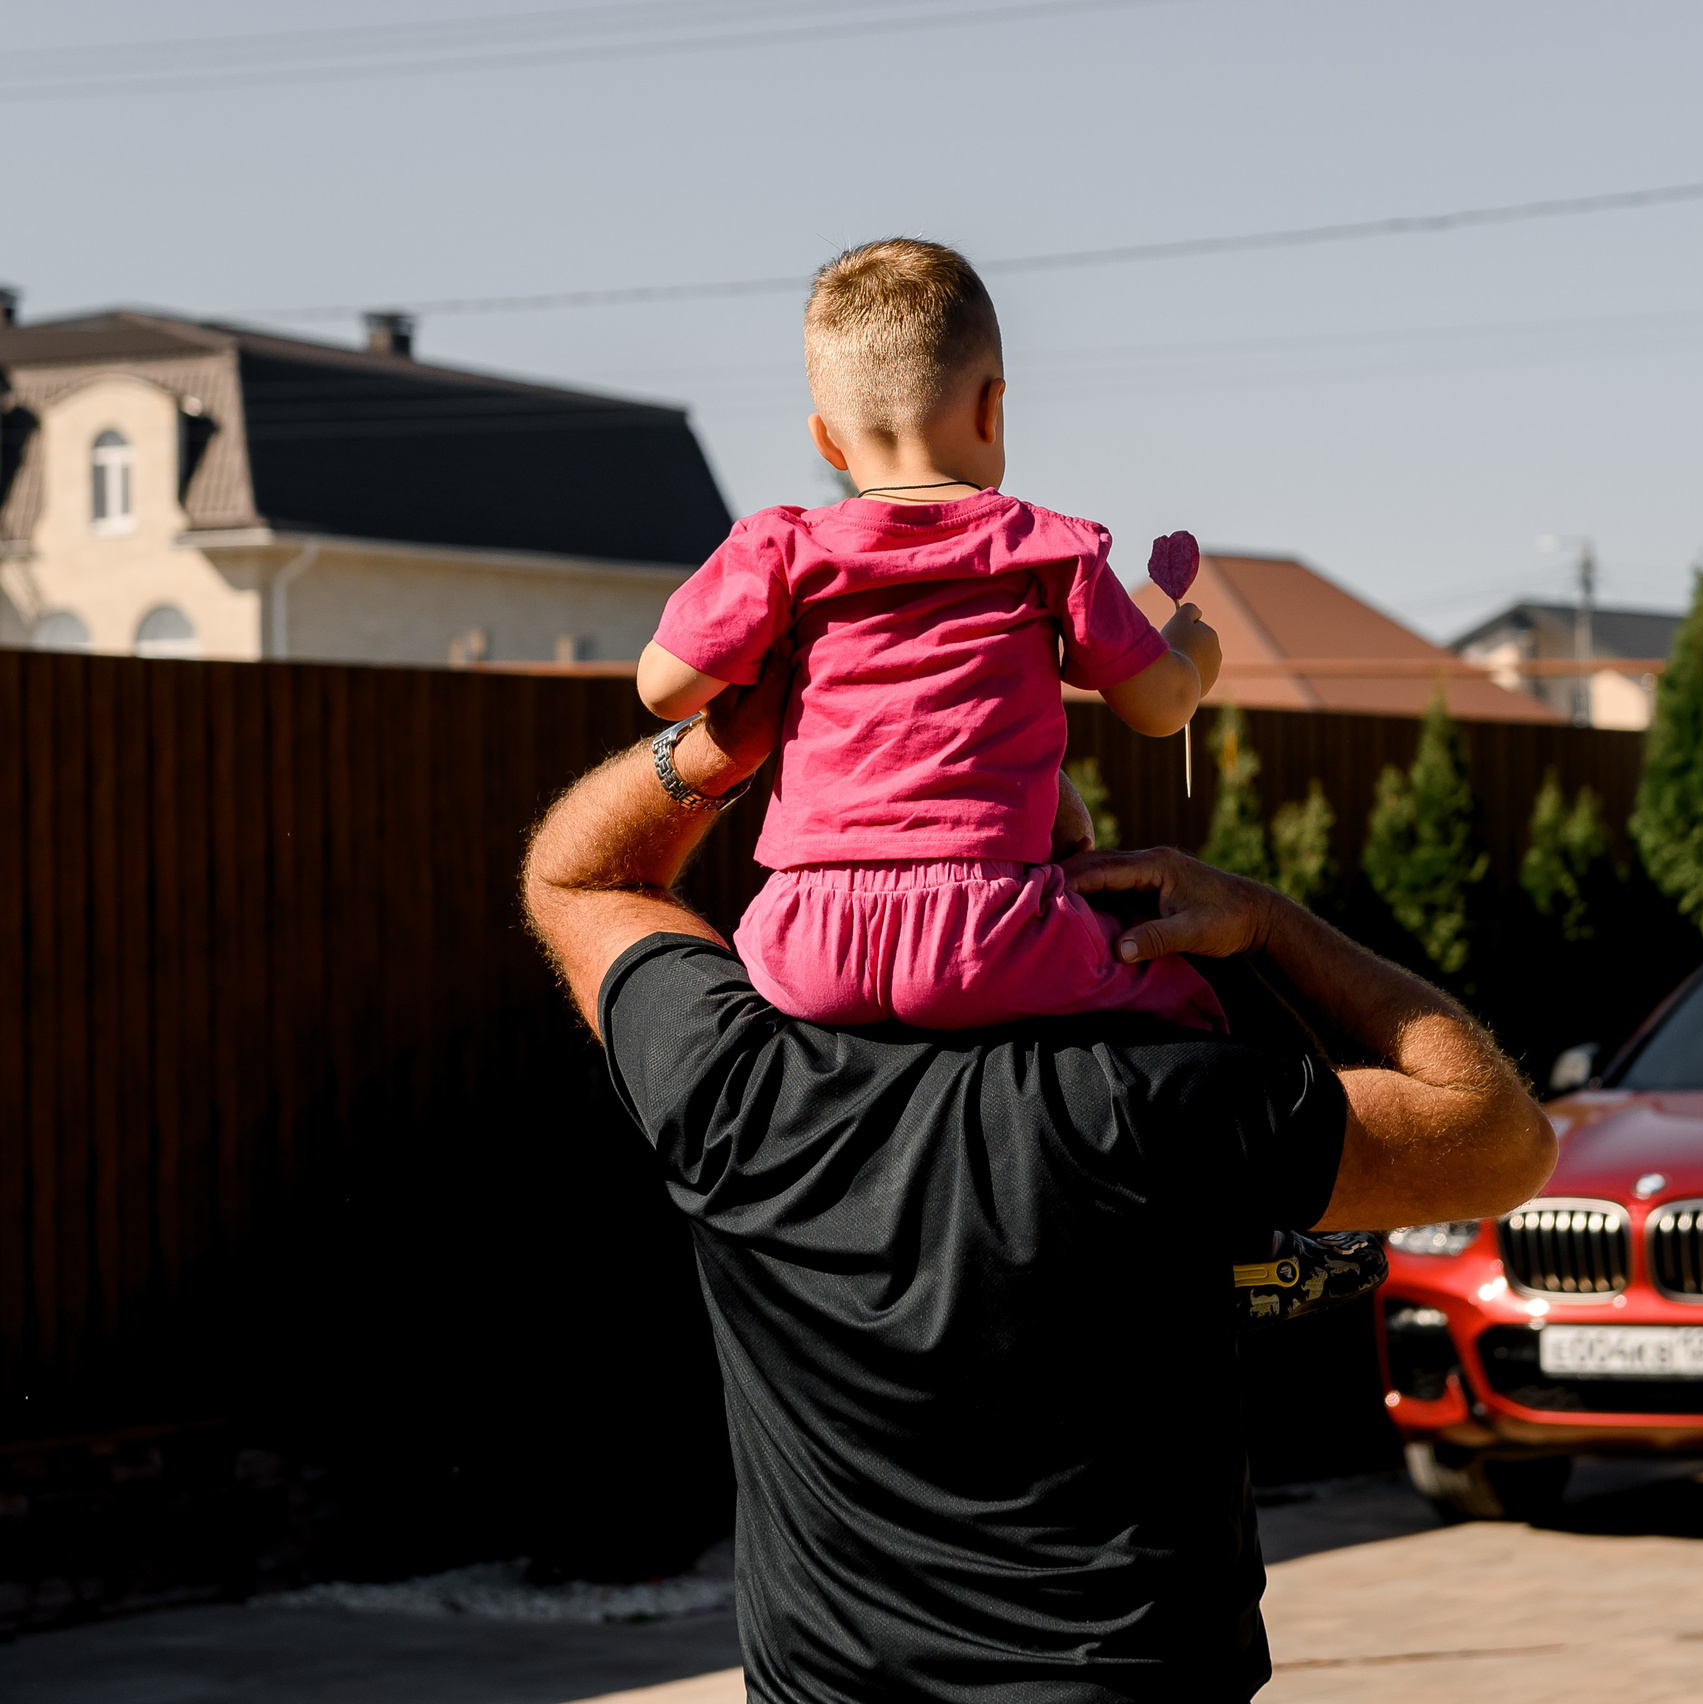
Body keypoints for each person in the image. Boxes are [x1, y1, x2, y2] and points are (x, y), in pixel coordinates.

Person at [519, 667, 1555, 1702]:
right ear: (1067, 887)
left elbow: (580, 880)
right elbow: (1501, 1138)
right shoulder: (1153, 1104)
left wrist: (725, 745)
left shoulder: (738, 1088)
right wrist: (1267, 923)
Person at [635, 237, 1226, 1033]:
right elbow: (1161, 707)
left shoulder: (781, 550)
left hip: (808, 932)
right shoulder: (1046, 550)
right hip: (989, 933)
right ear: (992, 409)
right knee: (1189, 1001)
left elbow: (663, 688)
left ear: (827, 441)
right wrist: (1192, 652)